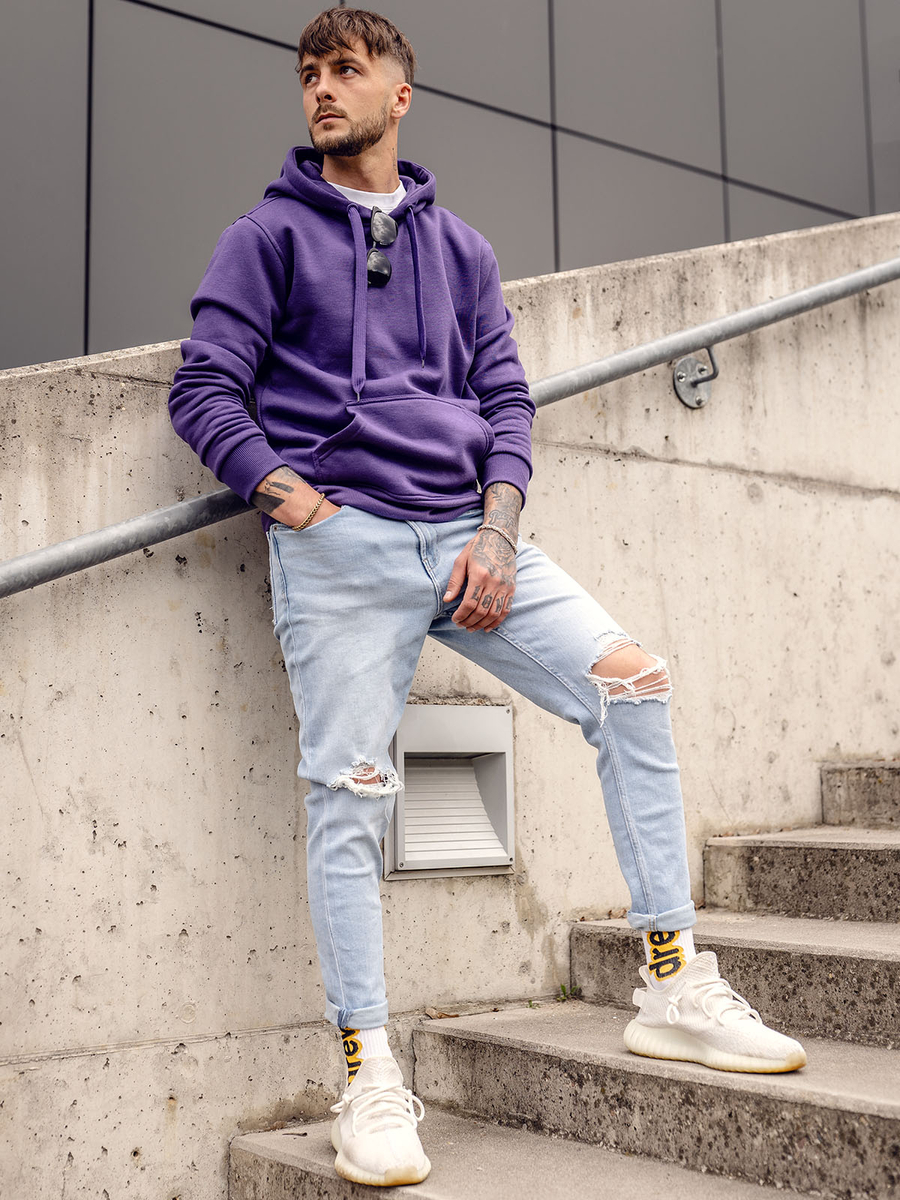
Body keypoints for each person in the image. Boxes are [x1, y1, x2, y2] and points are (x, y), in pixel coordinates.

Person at [168, 7, 806, 1188]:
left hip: (472, 539)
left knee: (632, 683)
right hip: (345, 551)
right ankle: (369, 1073)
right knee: (351, 794)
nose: (322, 89)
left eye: (346, 70)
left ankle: (672, 982)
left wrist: (500, 530)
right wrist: (297, 504)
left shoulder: (460, 249)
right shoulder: (265, 237)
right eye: (308, 73)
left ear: (399, 93)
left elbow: (507, 401)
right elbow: (203, 389)